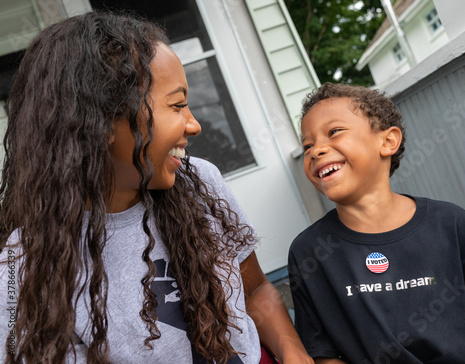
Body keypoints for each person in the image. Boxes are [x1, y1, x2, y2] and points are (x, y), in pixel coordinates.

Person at [0, 12, 313, 364]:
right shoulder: (25, 264)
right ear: (99, 120)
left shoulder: (199, 183)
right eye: (177, 105)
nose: (193, 124)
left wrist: (294, 353)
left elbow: (254, 288)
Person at [288, 82, 465, 363]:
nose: (316, 150)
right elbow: (322, 352)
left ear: (388, 141)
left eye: (334, 132)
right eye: (308, 145)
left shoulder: (450, 223)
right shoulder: (308, 252)